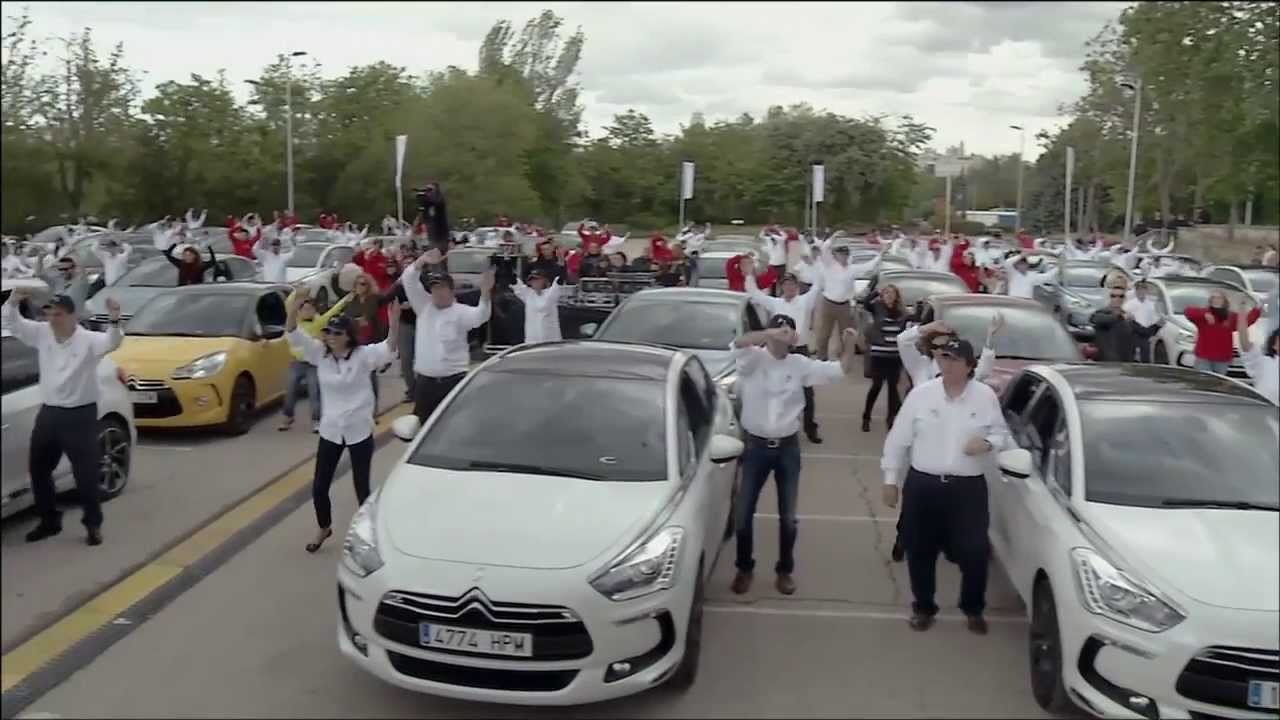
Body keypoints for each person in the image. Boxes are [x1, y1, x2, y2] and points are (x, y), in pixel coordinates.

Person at [881, 337, 1009, 634]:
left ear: (969, 365)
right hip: (923, 485)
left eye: (953, 360)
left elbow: (1002, 434)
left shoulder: (985, 396)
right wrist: (890, 480)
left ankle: (973, 607)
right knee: (920, 549)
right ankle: (924, 606)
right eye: (942, 358)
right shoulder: (921, 395)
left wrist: (988, 442)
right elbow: (898, 438)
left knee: (974, 551)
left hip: (967, 488)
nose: (946, 365)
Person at [729, 317, 859, 596]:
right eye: (780, 331)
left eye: (789, 332)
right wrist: (767, 333)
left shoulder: (799, 365)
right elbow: (739, 343)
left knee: (788, 517)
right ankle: (744, 567)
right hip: (755, 447)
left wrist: (848, 343)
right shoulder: (753, 359)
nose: (785, 337)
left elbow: (840, 370)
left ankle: (784, 570)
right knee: (742, 514)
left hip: (787, 448)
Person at [2, 290, 123, 545]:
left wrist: (114, 319)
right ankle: (49, 521)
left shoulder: (89, 340)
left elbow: (112, 342)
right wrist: (13, 301)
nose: (53, 319)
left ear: (72, 316)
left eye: (58, 314)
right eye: (49, 314)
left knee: (85, 475)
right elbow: (13, 323)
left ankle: (93, 525)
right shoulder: (42, 333)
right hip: (49, 413)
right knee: (39, 469)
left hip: (80, 415)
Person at [285, 292, 397, 553]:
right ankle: (324, 527)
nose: (330, 337)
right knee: (319, 486)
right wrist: (294, 306)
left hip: (358, 428)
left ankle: (369, 536)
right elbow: (292, 332)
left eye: (336, 333)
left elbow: (389, 348)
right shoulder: (319, 354)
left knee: (361, 487)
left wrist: (393, 324)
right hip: (331, 430)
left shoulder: (363, 356)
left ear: (348, 335)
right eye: (328, 333)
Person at [401, 248, 494, 423]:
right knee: (421, 428)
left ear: (452, 291)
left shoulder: (461, 312)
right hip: (425, 384)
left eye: (442, 288)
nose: (437, 292)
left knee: (455, 426)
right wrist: (421, 261)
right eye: (434, 288)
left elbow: (482, 315)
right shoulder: (423, 306)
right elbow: (408, 280)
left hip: (454, 381)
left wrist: (485, 292)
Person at [743, 260, 824, 443]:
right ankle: (780, 425)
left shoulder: (805, 301)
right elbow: (754, 294)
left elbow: (818, 285)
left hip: (800, 351)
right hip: (777, 352)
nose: (789, 288)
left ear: (797, 287)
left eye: (792, 285)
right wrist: (749, 275)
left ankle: (810, 428)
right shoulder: (775, 303)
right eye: (786, 285)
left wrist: (815, 262)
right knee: (776, 389)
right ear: (781, 287)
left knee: (807, 392)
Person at [279, 288, 353, 432]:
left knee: (315, 391)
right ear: (299, 312)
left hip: (313, 364)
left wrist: (346, 300)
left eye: (310, 309)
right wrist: (298, 293)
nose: (307, 311)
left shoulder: (319, 322)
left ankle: (317, 420)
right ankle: (288, 416)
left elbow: (333, 311)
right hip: (298, 362)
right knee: (291, 389)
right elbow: (290, 308)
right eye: (304, 309)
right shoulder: (296, 324)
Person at [812, 239, 884, 359]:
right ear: (835, 255)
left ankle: (844, 358)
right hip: (828, 303)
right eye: (841, 254)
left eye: (845, 254)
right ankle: (821, 358)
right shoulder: (829, 265)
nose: (843, 257)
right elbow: (823, 249)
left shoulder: (852, 269)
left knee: (845, 334)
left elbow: (870, 266)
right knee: (824, 334)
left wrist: (881, 253)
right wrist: (832, 238)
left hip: (844, 305)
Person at [860, 284, 908, 432]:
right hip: (879, 353)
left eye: (892, 293)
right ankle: (866, 416)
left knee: (893, 389)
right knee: (876, 385)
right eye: (886, 293)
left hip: (894, 355)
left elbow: (908, 325)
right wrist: (876, 292)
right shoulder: (877, 308)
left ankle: (890, 419)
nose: (889, 296)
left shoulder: (901, 312)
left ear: (896, 296)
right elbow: (866, 303)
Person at [1184, 290, 1261, 375]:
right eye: (1213, 298)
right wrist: (1203, 314)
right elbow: (1188, 311)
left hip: (1222, 359)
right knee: (1204, 382)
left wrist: (1257, 310)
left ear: (1224, 301)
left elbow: (1246, 321)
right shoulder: (1204, 315)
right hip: (1203, 357)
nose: (1216, 300)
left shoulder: (1231, 317)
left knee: (1218, 385)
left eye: (1219, 298)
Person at [1237, 309, 1279, 405]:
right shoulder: (1263, 362)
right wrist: (1242, 314)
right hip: (1264, 411)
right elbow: (1245, 344)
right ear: (1274, 345)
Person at [513, 268, 564, 344]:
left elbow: (559, 281)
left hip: (551, 341)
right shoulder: (528, 294)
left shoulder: (551, 293)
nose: (534, 282)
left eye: (537, 279)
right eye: (532, 280)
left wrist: (561, 263)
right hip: (532, 341)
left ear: (544, 280)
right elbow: (515, 283)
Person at [1089, 287, 1139, 362]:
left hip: (1125, 363)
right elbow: (1095, 319)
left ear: (1124, 298)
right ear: (1109, 297)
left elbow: (1135, 337)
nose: (1117, 299)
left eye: (1121, 296)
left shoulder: (1127, 317)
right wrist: (1120, 317)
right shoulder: (1102, 313)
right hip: (1105, 363)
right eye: (1113, 296)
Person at [1123, 280, 1163, 362]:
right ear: (1136, 291)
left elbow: (1155, 320)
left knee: (1145, 357)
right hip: (1134, 334)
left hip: (1147, 335)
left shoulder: (1151, 305)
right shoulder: (1129, 305)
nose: (1142, 292)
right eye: (1139, 289)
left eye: (1144, 289)